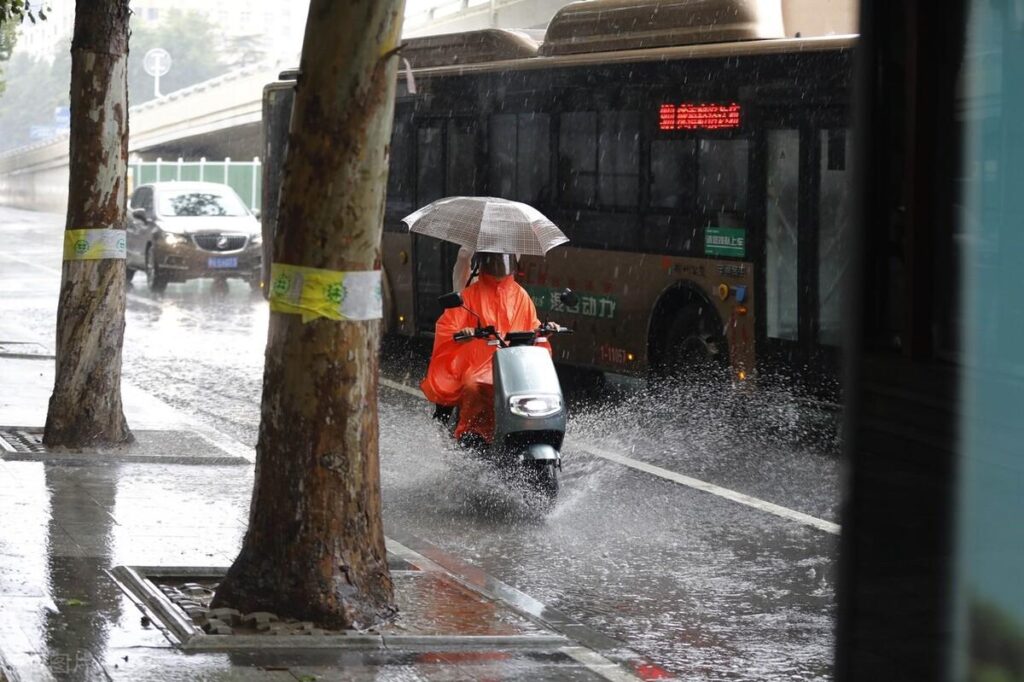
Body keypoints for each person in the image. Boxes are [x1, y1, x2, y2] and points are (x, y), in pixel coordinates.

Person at [421, 251, 548, 445]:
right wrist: (464, 334)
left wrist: (544, 330)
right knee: (473, 385)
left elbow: (532, 324)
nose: (499, 266)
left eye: (504, 260)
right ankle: (472, 432)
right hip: (478, 360)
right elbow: (449, 326)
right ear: (483, 262)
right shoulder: (470, 294)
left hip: (512, 362)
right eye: (494, 260)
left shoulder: (520, 295)